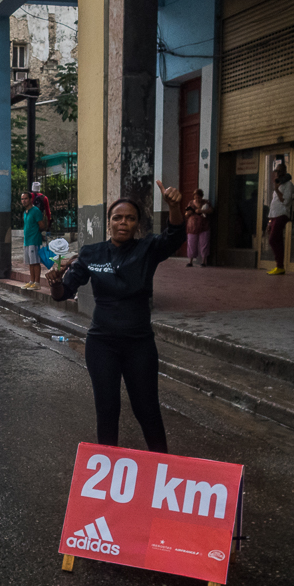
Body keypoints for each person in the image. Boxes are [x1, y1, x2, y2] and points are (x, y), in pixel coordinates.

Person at [46, 182, 185, 454]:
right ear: (108, 222)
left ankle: (162, 466)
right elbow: (64, 293)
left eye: (130, 218)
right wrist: (54, 283)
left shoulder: (148, 249)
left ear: (137, 224)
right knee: (107, 409)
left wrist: (174, 207)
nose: (123, 222)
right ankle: (108, 471)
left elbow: (175, 236)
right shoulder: (91, 253)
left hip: (139, 344)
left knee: (146, 409)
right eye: (117, 217)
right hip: (102, 344)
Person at [266, 163, 294, 275]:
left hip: (281, 214)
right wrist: (269, 221)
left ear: (284, 172)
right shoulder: (278, 184)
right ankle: (280, 266)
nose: (277, 173)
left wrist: (277, 190)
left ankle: (279, 265)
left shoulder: (288, 185)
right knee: (278, 241)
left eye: (279, 171)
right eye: (276, 171)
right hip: (274, 215)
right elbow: (273, 204)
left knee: (272, 240)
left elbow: (286, 201)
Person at [21, 191, 45, 289]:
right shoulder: (25, 212)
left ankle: (37, 283)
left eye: (25, 199)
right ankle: (32, 281)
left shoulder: (35, 211)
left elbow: (42, 225)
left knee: (35, 262)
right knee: (30, 262)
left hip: (34, 240)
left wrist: (36, 233)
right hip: (27, 240)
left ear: (31, 200)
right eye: (22, 199)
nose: (24, 201)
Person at [184, 189, 213, 267]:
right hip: (192, 226)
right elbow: (186, 213)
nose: (197, 199)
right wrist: (189, 213)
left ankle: (204, 261)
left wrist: (202, 211)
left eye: (199, 197)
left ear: (201, 197)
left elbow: (210, 210)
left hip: (204, 225)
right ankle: (190, 260)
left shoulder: (206, 203)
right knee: (191, 243)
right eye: (196, 197)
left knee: (204, 242)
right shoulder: (191, 203)